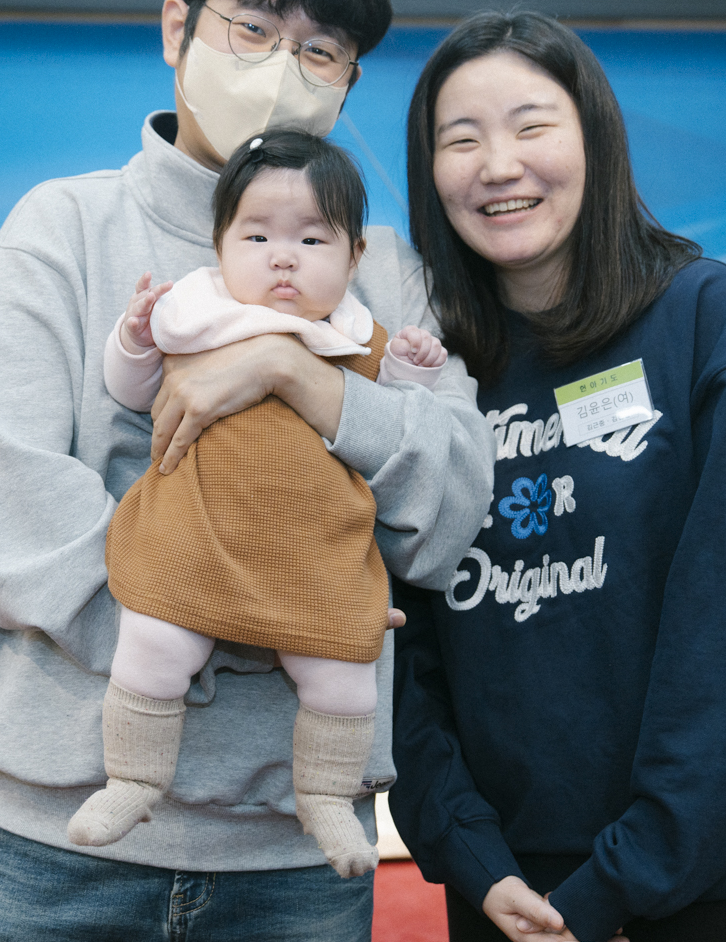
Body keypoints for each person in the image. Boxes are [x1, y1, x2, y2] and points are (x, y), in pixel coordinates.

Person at [0, 0, 494, 941]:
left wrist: (305, 378)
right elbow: (16, 524)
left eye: (321, 49)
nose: (283, 69)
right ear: (176, 28)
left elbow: (452, 508)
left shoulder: (383, 271)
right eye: (252, 28)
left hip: (295, 856)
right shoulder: (61, 231)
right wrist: (268, 624)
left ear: (350, 80)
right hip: (58, 838)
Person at [389, 10, 726, 942]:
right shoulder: (431, 367)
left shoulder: (702, 318)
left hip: (711, 873)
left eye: (532, 125)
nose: (498, 165)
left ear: (595, 137)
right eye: (460, 139)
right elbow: (401, 638)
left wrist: (620, 878)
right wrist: (469, 851)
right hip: (509, 887)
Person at [68, 130, 449, 880]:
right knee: (151, 648)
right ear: (219, 245)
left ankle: (328, 796)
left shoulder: (353, 336)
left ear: (354, 258)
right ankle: (132, 780)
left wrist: (413, 368)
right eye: (258, 236)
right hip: (192, 543)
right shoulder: (196, 313)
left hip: (316, 560)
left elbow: (402, 419)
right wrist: (135, 339)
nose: (284, 257)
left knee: (343, 674)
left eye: (312, 238)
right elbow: (131, 391)